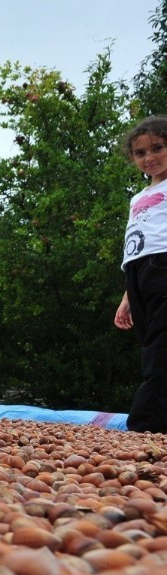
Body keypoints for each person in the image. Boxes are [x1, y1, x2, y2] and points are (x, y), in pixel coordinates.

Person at [115, 115, 167, 433]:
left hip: (164, 266)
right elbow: (135, 246)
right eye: (140, 153)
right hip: (138, 272)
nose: (149, 158)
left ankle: (147, 424)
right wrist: (127, 297)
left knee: (162, 344)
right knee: (151, 342)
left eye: (158, 148)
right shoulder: (138, 197)